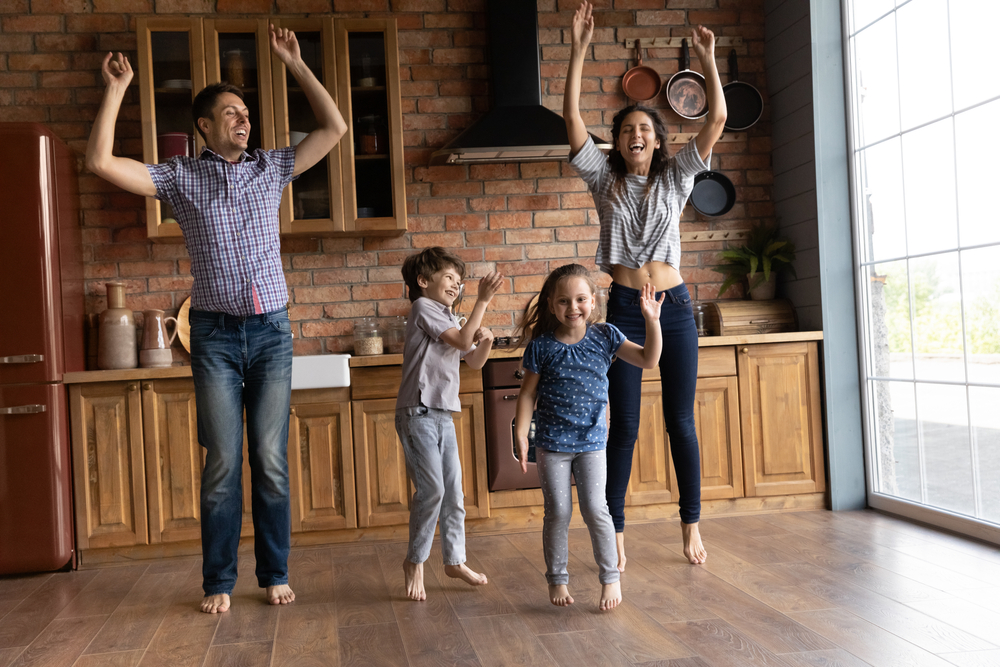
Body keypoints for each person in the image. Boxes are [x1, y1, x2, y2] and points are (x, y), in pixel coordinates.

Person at [85, 26, 348, 614]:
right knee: (224, 462)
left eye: (246, 112)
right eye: (230, 112)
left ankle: (274, 572)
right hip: (214, 336)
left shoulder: (271, 168)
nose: (243, 119)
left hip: (272, 331)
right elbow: (99, 161)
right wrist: (118, 89)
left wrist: (298, 65)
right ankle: (219, 582)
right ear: (203, 127)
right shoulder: (180, 178)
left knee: (272, 460)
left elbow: (335, 129)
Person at [563, 2, 727, 569]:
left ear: (658, 142)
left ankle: (690, 525)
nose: (637, 134)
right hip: (626, 310)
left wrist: (706, 59)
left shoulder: (678, 177)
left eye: (646, 129)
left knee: (680, 419)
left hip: (675, 307)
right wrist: (580, 48)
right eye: (628, 129)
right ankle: (618, 534)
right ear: (619, 142)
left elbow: (717, 121)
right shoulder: (603, 180)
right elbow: (573, 123)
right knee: (624, 428)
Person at [513, 264, 663, 611]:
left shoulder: (605, 336)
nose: (573, 307)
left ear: (592, 302)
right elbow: (526, 395)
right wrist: (522, 434)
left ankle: (610, 577)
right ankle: (558, 580)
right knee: (558, 513)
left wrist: (651, 321)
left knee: (597, 509)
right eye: (563, 301)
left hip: (593, 444)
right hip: (551, 444)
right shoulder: (542, 347)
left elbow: (648, 360)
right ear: (551, 305)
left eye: (580, 299)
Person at [396, 247, 504, 601]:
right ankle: (415, 561)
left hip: (442, 413)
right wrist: (483, 301)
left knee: (454, 492)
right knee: (433, 491)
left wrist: (484, 342)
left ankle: (454, 560)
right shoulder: (423, 308)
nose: (456, 285)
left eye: (460, 280)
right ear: (423, 281)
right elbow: (460, 340)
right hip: (418, 412)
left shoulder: (452, 317)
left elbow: (472, 361)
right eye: (449, 278)